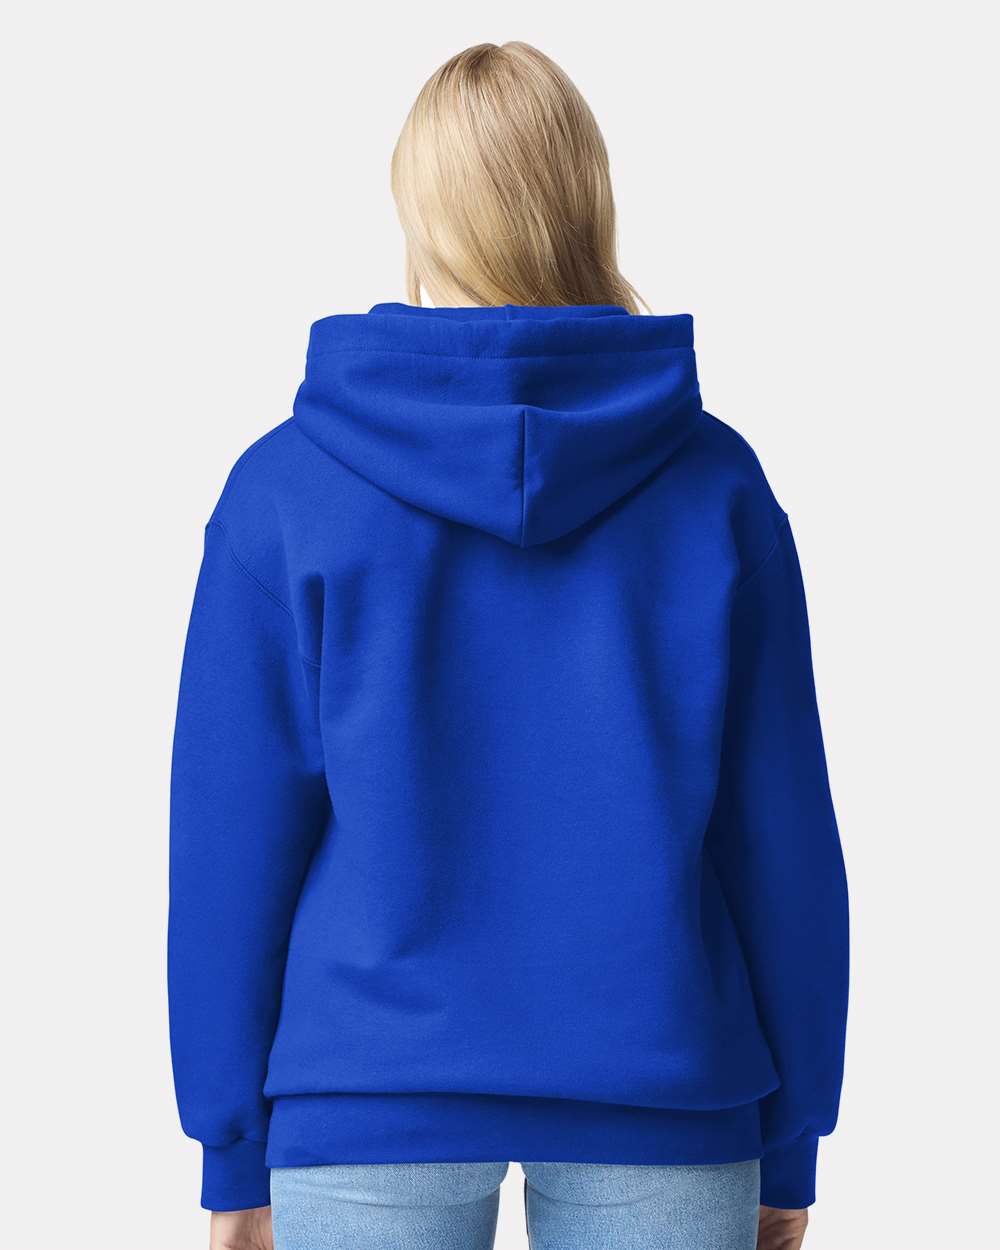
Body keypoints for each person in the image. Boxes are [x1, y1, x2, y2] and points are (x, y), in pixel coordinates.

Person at [168, 40, 849, 1250]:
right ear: (586, 197)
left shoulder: (287, 488)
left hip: (365, 1092)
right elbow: (781, 838)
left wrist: (232, 1151)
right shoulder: (715, 487)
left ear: (419, 212)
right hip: (667, 1088)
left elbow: (230, 843)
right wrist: (790, 1132)